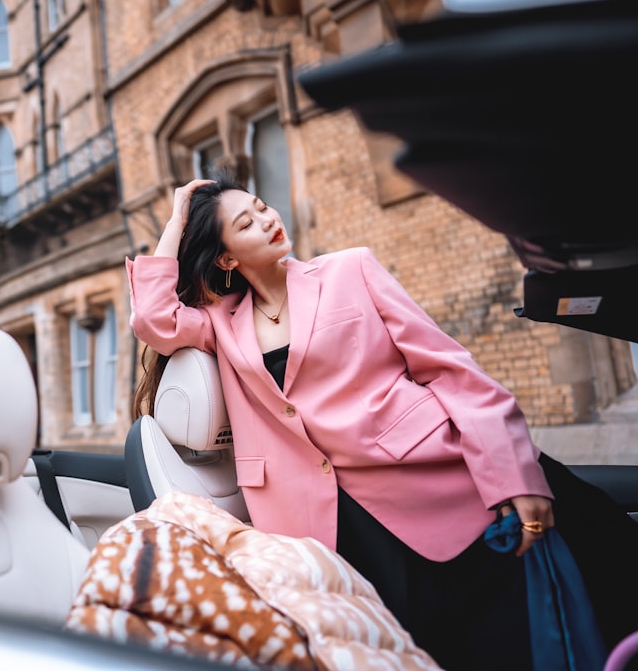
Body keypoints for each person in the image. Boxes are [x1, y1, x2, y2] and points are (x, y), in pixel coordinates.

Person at [126, 171, 638, 670]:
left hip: (427, 480)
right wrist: (175, 220)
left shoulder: (351, 270)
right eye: (245, 223)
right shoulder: (221, 322)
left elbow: (452, 373)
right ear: (227, 257)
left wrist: (513, 473)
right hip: (322, 522)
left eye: (262, 207)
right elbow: (153, 319)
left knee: (506, 636)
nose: (267, 220)